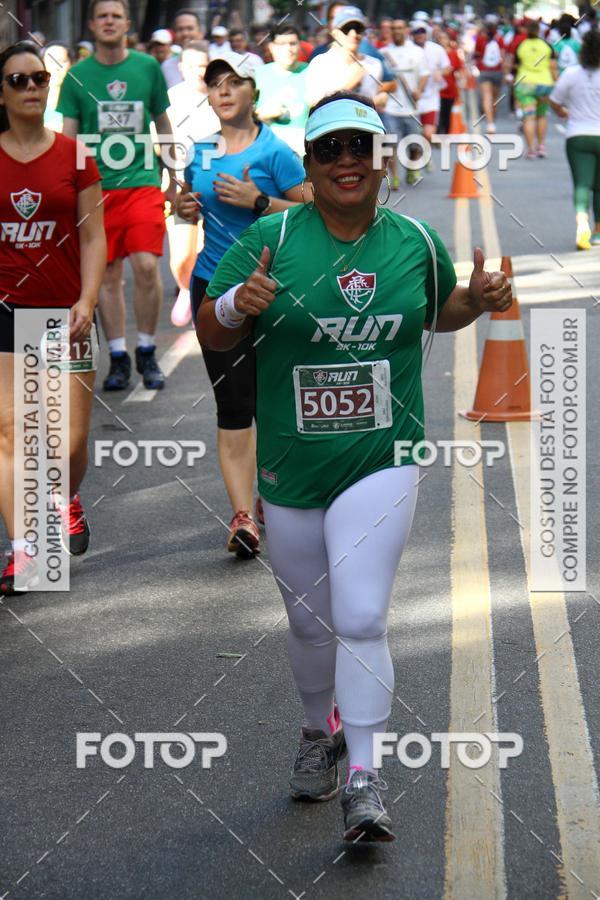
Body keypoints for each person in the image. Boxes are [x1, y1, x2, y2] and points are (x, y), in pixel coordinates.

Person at [196, 91, 512, 841]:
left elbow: (441, 311)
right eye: (330, 149)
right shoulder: (271, 238)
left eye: (360, 149)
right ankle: (318, 733)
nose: (346, 162)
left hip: (384, 456)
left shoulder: (412, 239)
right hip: (293, 466)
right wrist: (242, 300)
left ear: (382, 161)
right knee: (311, 627)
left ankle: (365, 779)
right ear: (309, 163)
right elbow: (212, 326)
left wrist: (480, 296)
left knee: (364, 615)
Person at [175, 53, 304, 557]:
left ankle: (272, 490)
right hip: (213, 286)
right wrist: (182, 206)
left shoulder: (276, 152)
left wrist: (259, 201)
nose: (224, 92)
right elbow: (187, 202)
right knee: (234, 404)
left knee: (274, 399)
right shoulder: (202, 152)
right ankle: (243, 517)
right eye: (215, 85)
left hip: (273, 290)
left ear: (255, 90)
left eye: (234, 83)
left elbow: (313, 208)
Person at [0, 42, 106, 594]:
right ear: (2, 92)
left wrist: (88, 299)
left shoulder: (75, 153)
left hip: (63, 310)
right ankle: (24, 553)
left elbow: (93, 235)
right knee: (12, 433)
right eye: (17, 80)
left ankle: (65, 495)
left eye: (38, 78)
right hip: (4, 309)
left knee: (67, 440)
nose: (31, 87)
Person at [58, 0, 176, 392]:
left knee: (146, 266)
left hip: (141, 181)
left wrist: (175, 177)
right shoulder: (77, 76)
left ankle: (146, 349)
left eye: (116, 16)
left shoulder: (146, 68)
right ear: (92, 25)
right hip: (95, 190)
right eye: (102, 16)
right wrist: (65, 191)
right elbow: (69, 139)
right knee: (106, 275)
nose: (109, 22)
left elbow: (163, 122)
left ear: (127, 23)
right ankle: (119, 356)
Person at [167, 40, 219, 326]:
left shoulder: (220, 96)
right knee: (181, 258)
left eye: (204, 64)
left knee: (206, 248)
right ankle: (186, 286)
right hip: (181, 185)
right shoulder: (172, 99)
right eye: (193, 65)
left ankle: (203, 299)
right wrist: (167, 179)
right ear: (181, 67)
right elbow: (159, 141)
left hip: (214, 187)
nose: (199, 71)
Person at [550, 30, 600, 249]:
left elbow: (554, 100)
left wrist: (563, 112)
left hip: (578, 135)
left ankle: (582, 222)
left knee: (581, 183)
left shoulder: (571, 74)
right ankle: (598, 232)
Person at [305, 6, 396, 111]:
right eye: (346, 29)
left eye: (358, 29)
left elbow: (389, 86)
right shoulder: (320, 63)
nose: (353, 34)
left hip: (365, 126)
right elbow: (313, 106)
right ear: (335, 32)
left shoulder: (374, 64)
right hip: (334, 125)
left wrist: (380, 100)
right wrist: (350, 84)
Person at [381, 18, 429, 187]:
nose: (397, 31)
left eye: (400, 28)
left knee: (414, 145)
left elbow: (425, 74)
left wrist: (419, 90)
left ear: (406, 30)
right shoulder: (384, 52)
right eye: (394, 28)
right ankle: (394, 177)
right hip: (390, 108)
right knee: (390, 143)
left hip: (411, 107)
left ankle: (411, 169)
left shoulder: (417, 52)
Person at [255, 24, 309, 156]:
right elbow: (241, 119)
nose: (288, 49)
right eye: (282, 44)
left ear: (300, 46)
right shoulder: (257, 75)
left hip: (305, 157)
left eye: (292, 43)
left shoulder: (313, 72)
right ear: (271, 47)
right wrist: (260, 115)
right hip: (267, 154)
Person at [514, 19, 557, 159]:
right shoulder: (547, 46)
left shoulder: (521, 45)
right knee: (542, 115)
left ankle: (531, 149)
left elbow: (515, 65)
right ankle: (541, 147)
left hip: (525, 83)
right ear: (539, 31)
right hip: (544, 84)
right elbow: (553, 66)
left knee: (529, 117)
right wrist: (557, 82)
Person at [411, 22, 450, 152]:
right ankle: (420, 158)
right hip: (411, 98)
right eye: (417, 32)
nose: (420, 35)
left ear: (426, 33)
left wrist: (440, 72)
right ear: (412, 34)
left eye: (422, 32)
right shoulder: (409, 49)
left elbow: (448, 67)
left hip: (431, 97)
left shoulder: (436, 49)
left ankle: (424, 153)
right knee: (414, 135)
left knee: (428, 133)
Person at [474, 16, 504, 133]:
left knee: (487, 97)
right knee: (494, 98)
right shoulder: (500, 39)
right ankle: (492, 121)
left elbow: (476, 54)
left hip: (484, 70)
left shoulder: (480, 39)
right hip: (497, 71)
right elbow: (503, 56)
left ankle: (490, 123)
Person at [162, 9, 205, 89]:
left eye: (190, 28)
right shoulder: (167, 67)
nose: (185, 33)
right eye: (180, 29)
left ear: (200, 32)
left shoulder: (216, 63)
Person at [41, 41, 72, 132]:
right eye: (51, 61)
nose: (57, 67)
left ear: (72, 64)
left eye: (62, 61)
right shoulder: (34, 99)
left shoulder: (80, 99)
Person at [437, 29, 464, 135]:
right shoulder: (436, 53)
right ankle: (437, 134)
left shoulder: (453, 53)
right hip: (436, 90)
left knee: (447, 113)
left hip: (450, 89)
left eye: (444, 38)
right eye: (440, 38)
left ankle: (445, 135)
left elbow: (459, 70)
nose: (442, 40)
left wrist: (461, 83)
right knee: (438, 113)